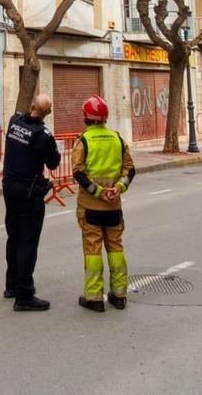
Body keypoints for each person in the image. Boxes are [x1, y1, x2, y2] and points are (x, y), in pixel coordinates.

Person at [71, 96, 136, 312]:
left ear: (85, 117)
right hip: (114, 206)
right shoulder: (117, 139)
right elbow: (130, 170)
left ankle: (94, 297)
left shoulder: (84, 141)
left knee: (93, 249)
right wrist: (118, 188)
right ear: (105, 118)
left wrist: (98, 192)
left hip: (91, 207)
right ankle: (119, 295)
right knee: (116, 247)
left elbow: (79, 174)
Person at [1, 93, 62, 312]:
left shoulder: (14, 121)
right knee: (28, 241)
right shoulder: (42, 135)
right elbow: (53, 163)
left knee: (14, 237)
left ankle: (12, 285)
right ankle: (24, 294)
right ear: (47, 112)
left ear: (31, 106)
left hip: (9, 188)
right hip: (28, 193)